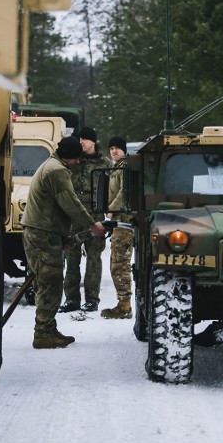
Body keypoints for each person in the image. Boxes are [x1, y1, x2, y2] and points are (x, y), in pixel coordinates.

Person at [22, 136, 107, 348]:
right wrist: (92, 224)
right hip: (42, 234)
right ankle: (43, 334)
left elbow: (55, 208)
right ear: (67, 156)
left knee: (48, 281)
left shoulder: (52, 165)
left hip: (44, 232)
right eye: (76, 159)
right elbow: (70, 204)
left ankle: (48, 329)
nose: (78, 162)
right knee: (50, 283)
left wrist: (63, 238)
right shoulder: (57, 171)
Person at [58, 126, 110, 313]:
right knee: (71, 258)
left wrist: (109, 214)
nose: (81, 142)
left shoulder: (104, 163)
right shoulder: (73, 160)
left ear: (93, 141)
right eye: (79, 139)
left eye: (85, 139)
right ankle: (71, 299)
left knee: (94, 259)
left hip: (95, 216)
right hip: (72, 217)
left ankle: (92, 299)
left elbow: (111, 189)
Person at [101, 136, 134, 319]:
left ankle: (125, 306)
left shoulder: (124, 167)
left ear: (124, 149)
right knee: (117, 264)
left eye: (117, 148)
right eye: (111, 148)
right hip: (118, 222)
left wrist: (111, 211)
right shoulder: (116, 167)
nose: (114, 151)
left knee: (120, 265)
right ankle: (123, 303)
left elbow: (124, 191)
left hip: (124, 222)